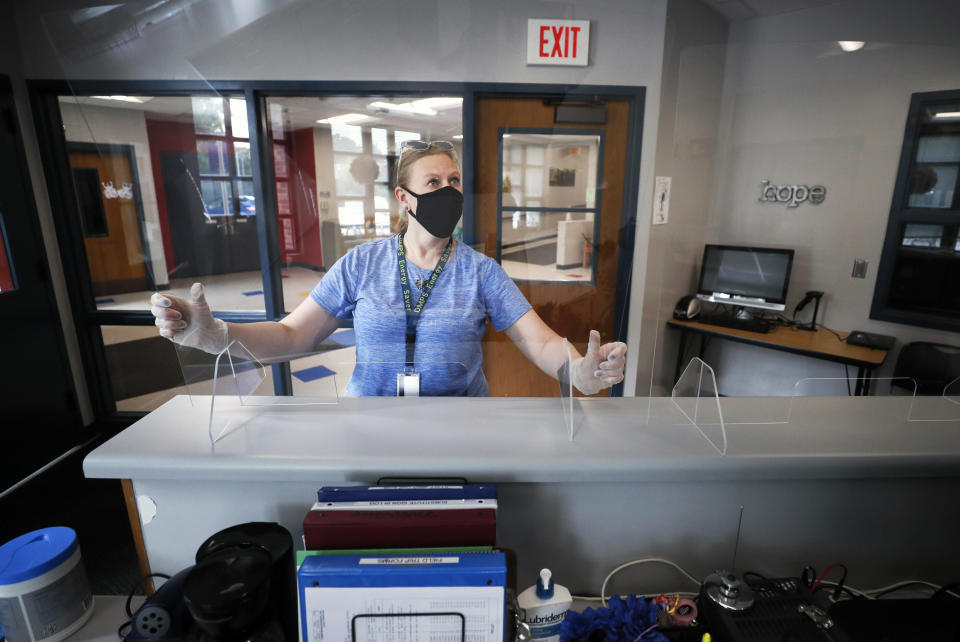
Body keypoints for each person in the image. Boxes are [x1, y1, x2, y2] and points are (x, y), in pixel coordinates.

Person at [151, 140, 626, 396]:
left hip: (459, 426)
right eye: (434, 181)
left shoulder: (481, 272)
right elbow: (293, 336)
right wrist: (216, 335)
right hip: (371, 423)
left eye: (455, 180)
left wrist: (578, 373)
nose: (449, 190)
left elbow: (539, 341)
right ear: (404, 197)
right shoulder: (361, 263)